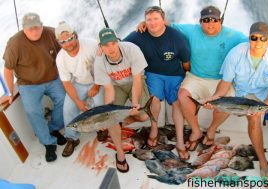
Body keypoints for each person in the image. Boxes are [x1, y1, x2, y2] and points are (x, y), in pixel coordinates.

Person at [159, 5, 268, 150]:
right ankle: (196, 131)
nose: (210, 23)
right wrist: (144, 23)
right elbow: (166, 24)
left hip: (222, 80)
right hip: (196, 77)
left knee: (228, 103)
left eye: (214, 20)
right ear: (200, 22)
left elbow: (255, 40)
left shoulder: (233, 35)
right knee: (182, 95)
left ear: (221, 20)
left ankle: (211, 130)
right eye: (206, 20)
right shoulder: (191, 30)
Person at [205, 21, 268, 179]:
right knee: (237, 111)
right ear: (249, 38)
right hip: (242, 90)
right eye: (254, 38)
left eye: (263, 38)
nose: (258, 42)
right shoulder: (236, 53)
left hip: (266, 91)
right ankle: (262, 161)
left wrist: (260, 107)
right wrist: (216, 97)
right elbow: (225, 82)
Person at [124, 6, 191, 161]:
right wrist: (102, 46)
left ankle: (180, 141)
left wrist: (185, 78)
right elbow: (121, 45)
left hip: (175, 74)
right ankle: (154, 130)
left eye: (156, 19)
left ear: (164, 20)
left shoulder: (177, 38)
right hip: (153, 73)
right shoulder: (138, 34)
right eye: (149, 20)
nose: (152, 23)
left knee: (177, 103)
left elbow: (186, 63)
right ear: (144, 22)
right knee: (154, 99)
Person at [3, 13, 66, 162]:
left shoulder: (51, 33)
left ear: (42, 25)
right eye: (30, 29)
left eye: (37, 27)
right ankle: (48, 142)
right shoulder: (15, 43)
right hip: (28, 84)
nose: (34, 31)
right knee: (33, 111)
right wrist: (9, 92)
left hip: (52, 78)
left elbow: (69, 41)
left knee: (63, 100)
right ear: (23, 29)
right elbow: (8, 69)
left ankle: (54, 128)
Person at [94, 28, 150, 172]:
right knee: (112, 118)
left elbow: (137, 80)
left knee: (143, 115)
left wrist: (135, 103)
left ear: (118, 41)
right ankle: (120, 152)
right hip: (115, 86)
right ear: (100, 47)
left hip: (133, 83)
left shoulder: (132, 50)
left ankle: (127, 119)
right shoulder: (99, 62)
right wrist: (109, 111)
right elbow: (108, 89)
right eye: (106, 45)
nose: (110, 48)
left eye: (113, 43)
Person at [55, 21, 104, 157]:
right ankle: (72, 138)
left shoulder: (91, 45)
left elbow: (102, 67)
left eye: (70, 39)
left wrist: (96, 86)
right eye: (63, 42)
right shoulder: (60, 59)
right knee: (68, 109)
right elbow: (67, 83)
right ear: (59, 43)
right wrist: (78, 102)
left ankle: (101, 128)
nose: (68, 44)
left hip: (98, 80)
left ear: (75, 35)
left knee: (100, 105)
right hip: (79, 83)